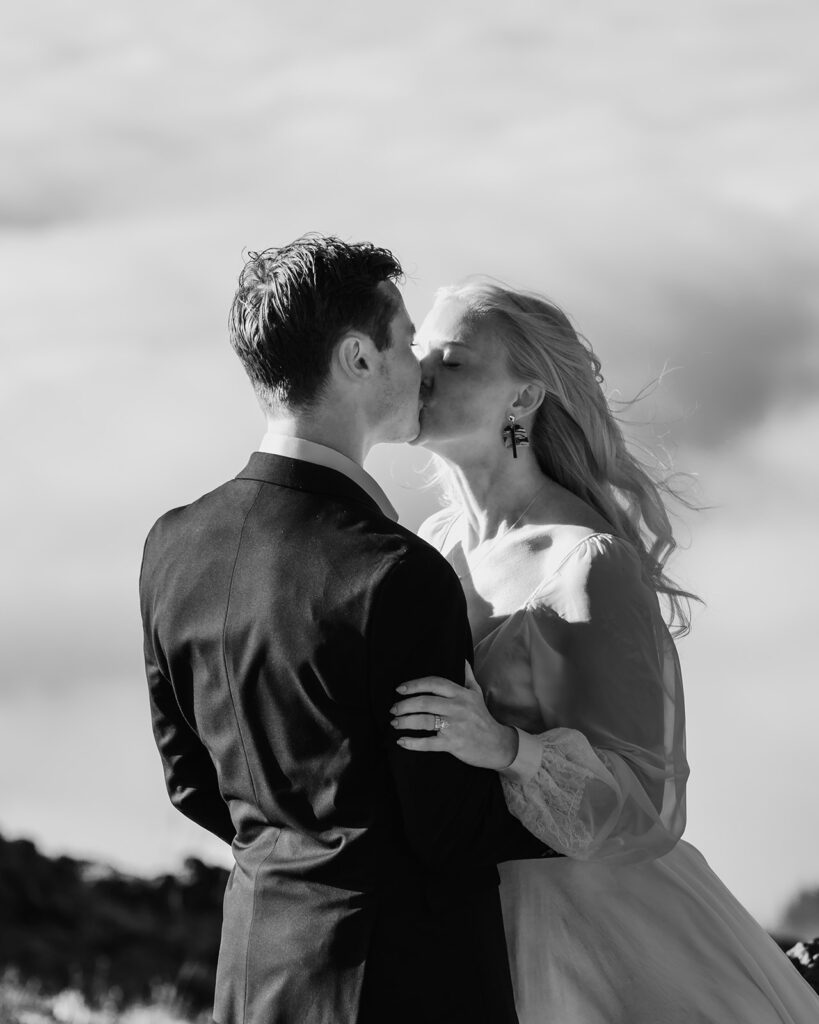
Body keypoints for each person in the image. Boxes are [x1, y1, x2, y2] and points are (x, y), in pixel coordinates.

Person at [138, 239, 554, 1024]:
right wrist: (585, 799)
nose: (419, 367)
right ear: (358, 358)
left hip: (252, 968)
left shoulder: (173, 542)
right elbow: (446, 829)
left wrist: (294, 854)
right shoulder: (393, 573)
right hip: (402, 981)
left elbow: (192, 782)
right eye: (404, 342)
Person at [390, 278, 819, 1022]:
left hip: (601, 941)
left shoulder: (585, 561)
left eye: (454, 362)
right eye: (420, 353)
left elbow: (644, 807)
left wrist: (504, 748)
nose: (421, 374)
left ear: (523, 400)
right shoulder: (431, 545)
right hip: (468, 916)